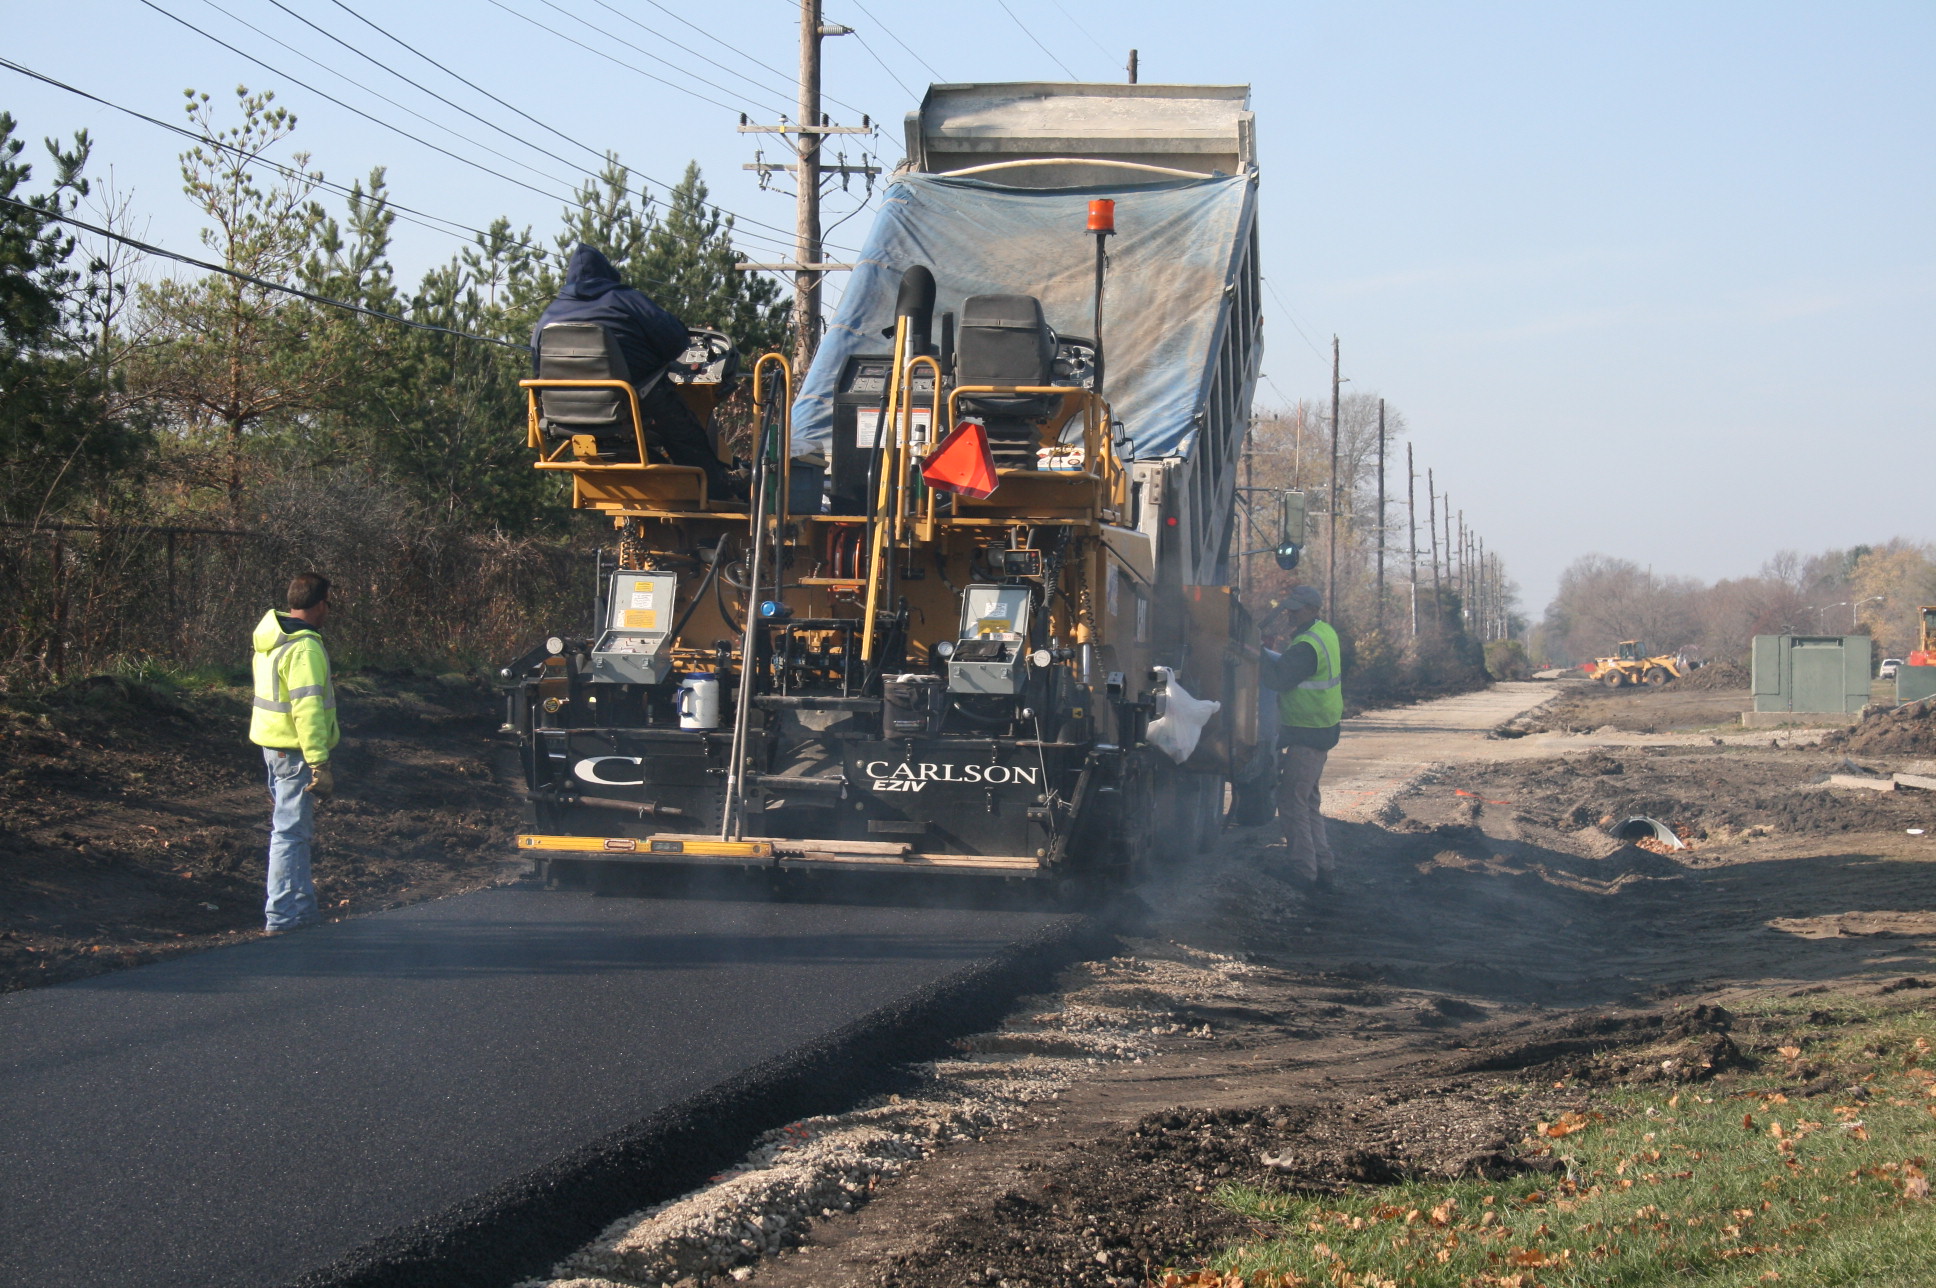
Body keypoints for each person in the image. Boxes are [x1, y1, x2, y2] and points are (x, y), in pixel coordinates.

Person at [533, 243, 735, 498]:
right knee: (685, 432)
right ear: (608, 274)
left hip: (563, 415)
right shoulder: (626, 299)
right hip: (627, 402)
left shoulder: (549, 314)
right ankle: (715, 491)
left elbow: (537, 367)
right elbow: (674, 339)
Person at [248, 571, 340, 935]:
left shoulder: (272, 637)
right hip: (296, 751)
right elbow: (308, 709)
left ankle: (303, 910)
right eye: (328, 604)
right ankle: (282, 916)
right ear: (320, 604)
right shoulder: (304, 646)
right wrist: (319, 760)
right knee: (289, 833)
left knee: (295, 831)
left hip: (274, 746)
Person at [1259, 584, 1343, 888]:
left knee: (1292, 801)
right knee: (1307, 801)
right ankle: (1323, 866)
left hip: (1308, 734)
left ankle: (1303, 872)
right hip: (1320, 730)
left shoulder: (1307, 645)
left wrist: (1256, 655)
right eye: (1290, 606)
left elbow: (1279, 680)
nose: (1291, 612)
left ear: (1312, 609)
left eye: (1296, 607)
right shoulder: (1325, 632)